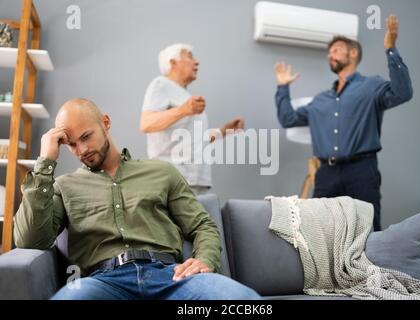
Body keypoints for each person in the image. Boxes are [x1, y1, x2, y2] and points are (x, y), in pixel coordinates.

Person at [13, 98, 260, 300]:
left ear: (106, 122)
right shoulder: (64, 186)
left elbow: (202, 226)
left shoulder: (162, 172)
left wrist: (204, 260)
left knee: (244, 301)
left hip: (170, 278)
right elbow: (29, 239)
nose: (82, 150)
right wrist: (46, 162)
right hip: (102, 284)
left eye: (86, 137)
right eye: (72, 144)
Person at [274, 15, 413, 231]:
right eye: (329, 52)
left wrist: (391, 49)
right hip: (325, 174)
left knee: (367, 231)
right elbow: (288, 119)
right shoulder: (320, 101)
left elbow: (402, 92)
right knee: (316, 231)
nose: (331, 54)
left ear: (353, 53)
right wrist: (282, 87)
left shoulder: (371, 86)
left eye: (337, 49)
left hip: (362, 171)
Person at [140, 43, 244, 195]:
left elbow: (196, 140)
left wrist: (224, 131)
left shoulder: (185, 96)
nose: (197, 62)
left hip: (196, 181)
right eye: (189, 56)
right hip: (173, 179)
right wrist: (183, 110)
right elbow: (146, 123)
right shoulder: (161, 84)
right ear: (172, 62)